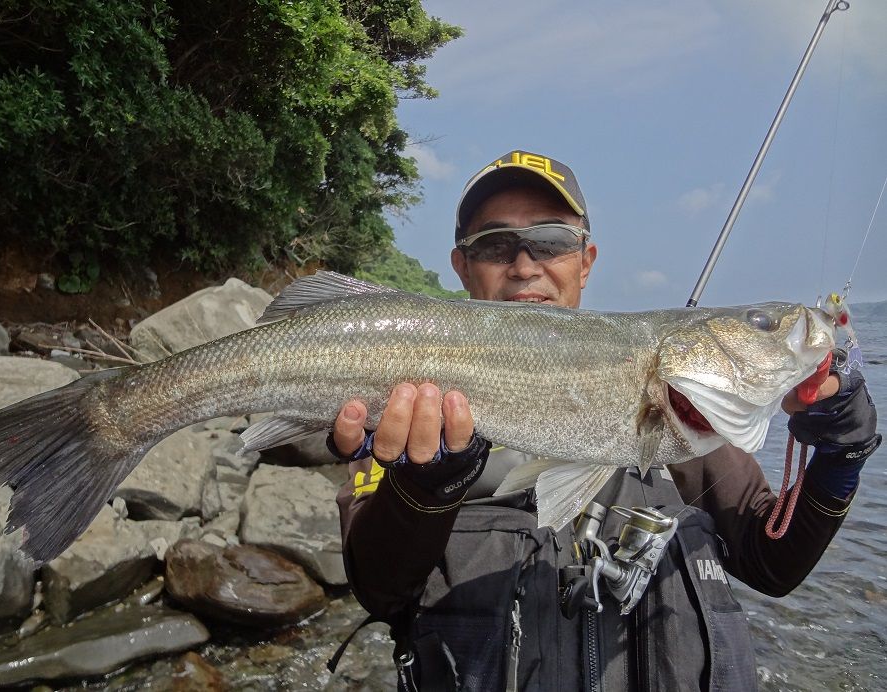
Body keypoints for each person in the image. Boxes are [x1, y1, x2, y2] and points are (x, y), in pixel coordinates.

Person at [330, 151, 881, 691]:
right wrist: (424, 486)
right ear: (462, 266)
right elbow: (381, 591)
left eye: (551, 241)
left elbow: (773, 563)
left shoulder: (686, 420)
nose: (524, 265)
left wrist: (841, 453)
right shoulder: (404, 401)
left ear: (585, 260)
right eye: (495, 245)